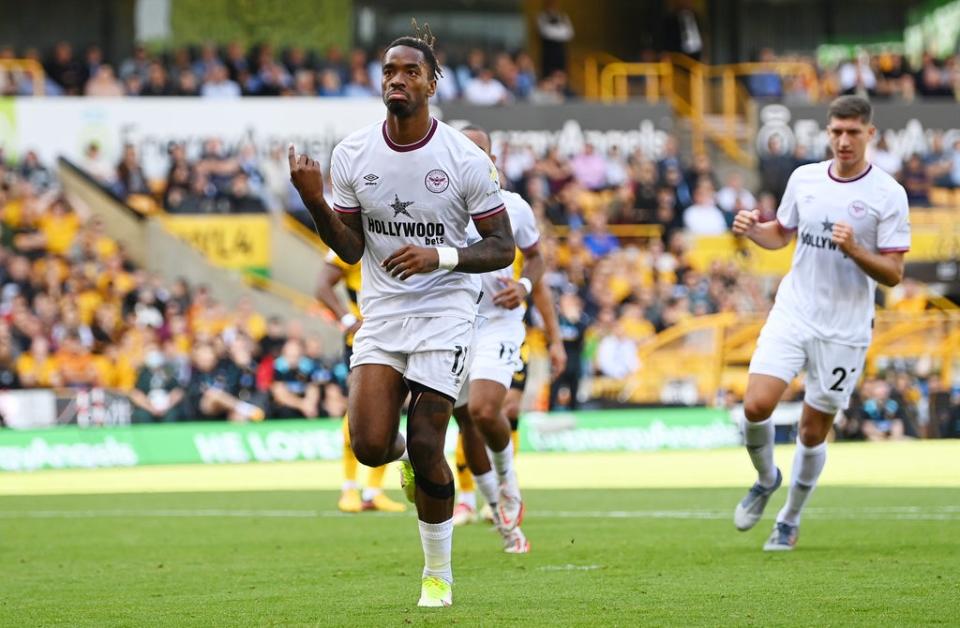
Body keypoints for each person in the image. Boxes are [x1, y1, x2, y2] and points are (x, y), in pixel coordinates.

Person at [288, 22, 515, 608]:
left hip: (445, 309)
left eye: (410, 71)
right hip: (383, 310)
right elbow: (351, 249)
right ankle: (409, 467)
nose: (397, 79)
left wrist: (439, 254)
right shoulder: (354, 153)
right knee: (368, 445)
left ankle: (436, 575)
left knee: (425, 440)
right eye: (389, 71)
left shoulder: (463, 158)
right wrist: (314, 199)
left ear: (433, 85)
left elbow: (502, 247)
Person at [731, 96, 910, 551]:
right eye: (836, 132)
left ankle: (789, 518)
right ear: (827, 133)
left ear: (870, 134)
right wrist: (755, 230)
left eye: (853, 132)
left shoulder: (887, 194)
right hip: (794, 311)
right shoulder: (804, 178)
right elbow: (782, 234)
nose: (844, 141)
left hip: (844, 330)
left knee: (813, 431)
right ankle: (766, 477)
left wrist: (855, 250)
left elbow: (893, 273)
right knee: (755, 405)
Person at [448, 125, 566, 554]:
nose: (471, 159)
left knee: (483, 409)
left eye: (478, 152)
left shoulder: (513, 208)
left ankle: (509, 483)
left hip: (499, 321)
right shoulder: (437, 206)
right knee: (465, 422)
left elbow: (535, 259)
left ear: (492, 159)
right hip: (452, 324)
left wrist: (527, 288)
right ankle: (501, 514)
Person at [316, 250, 407, 514]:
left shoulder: (397, 232)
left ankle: (373, 492)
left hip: (399, 336)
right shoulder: (352, 243)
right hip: (363, 340)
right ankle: (349, 487)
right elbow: (321, 286)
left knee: (390, 412)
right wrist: (347, 320)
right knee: (360, 410)